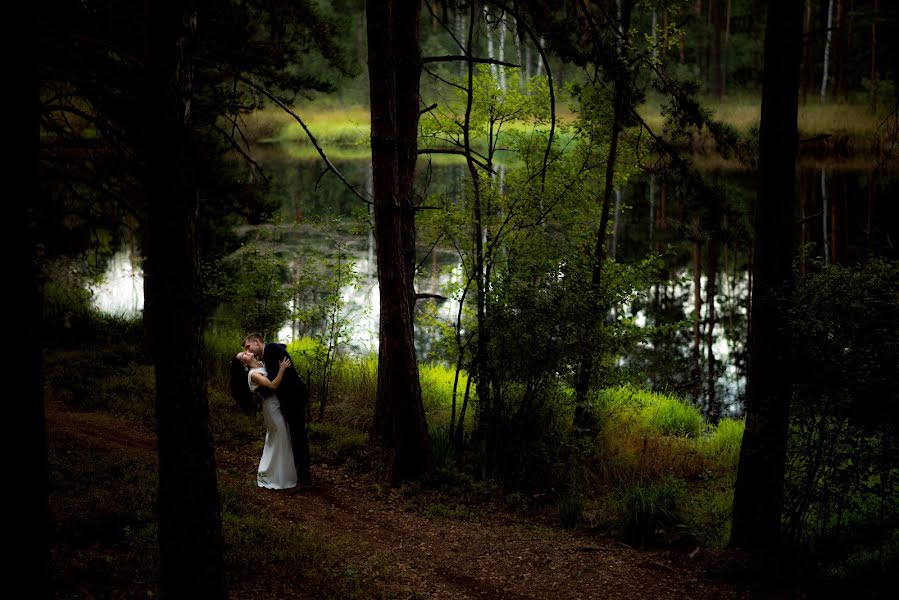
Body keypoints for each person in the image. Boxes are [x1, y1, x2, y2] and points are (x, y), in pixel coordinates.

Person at [243, 333, 312, 486]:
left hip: (294, 399)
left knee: (297, 435)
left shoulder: (272, 349)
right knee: (291, 435)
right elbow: (271, 381)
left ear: (257, 341)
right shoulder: (266, 356)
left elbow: (276, 382)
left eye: (248, 346)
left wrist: (263, 392)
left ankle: (303, 476)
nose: (247, 350)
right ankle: (295, 472)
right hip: (284, 402)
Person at [233, 350, 297, 489]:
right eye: (242, 355)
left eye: (244, 351)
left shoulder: (262, 363)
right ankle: (272, 476)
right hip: (271, 407)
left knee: (280, 438)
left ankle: (282, 474)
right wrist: (282, 369)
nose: (246, 352)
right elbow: (272, 386)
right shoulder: (254, 374)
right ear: (244, 363)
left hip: (279, 405)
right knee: (280, 437)